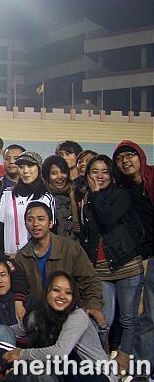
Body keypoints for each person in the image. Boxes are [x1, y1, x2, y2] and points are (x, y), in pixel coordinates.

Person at [79, 154, 144, 367]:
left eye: (105, 171)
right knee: (102, 321)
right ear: (87, 174)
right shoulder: (84, 199)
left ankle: (124, 361)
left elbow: (107, 217)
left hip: (127, 266)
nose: (100, 176)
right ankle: (99, 361)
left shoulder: (121, 195)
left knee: (128, 319)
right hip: (100, 270)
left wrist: (96, 193)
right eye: (94, 171)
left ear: (112, 175)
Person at [5, 272, 116, 382]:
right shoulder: (38, 315)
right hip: (64, 373)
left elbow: (60, 353)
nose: (62, 296)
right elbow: (11, 331)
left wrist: (21, 354)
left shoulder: (77, 316)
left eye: (68, 293)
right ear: (47, 291)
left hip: (95, 374)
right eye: (56, 290)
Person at [13, 202, 105, 329]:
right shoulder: (22, 256)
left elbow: (90, 280)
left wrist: (93, 305)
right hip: (41, 316)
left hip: (70, 312)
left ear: (50, 223)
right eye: (30, 220)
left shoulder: (70, 248)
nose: (35, 224)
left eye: (41, 219)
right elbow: (20, 286)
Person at [112, 140, 154, 367]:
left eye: (129, 155)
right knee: (148, 315)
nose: (125, 161)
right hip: (149, 257)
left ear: (140, 156)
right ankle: (143, 367)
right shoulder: (122, 192)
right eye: (120, 159)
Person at [0, 151, 54, 255]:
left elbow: (51, 232)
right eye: (21, 167)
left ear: (39, 168)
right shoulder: (8, 194)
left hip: (36, 258)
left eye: (30, 166)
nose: (25, 171)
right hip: (9, 257)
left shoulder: (46, 198)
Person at [41, 155, 80, 240]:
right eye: (54, 173)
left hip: (74, 244)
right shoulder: (43, 198)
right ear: (46, 176)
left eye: (63, 172)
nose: (60, 176)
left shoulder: (77, 193)